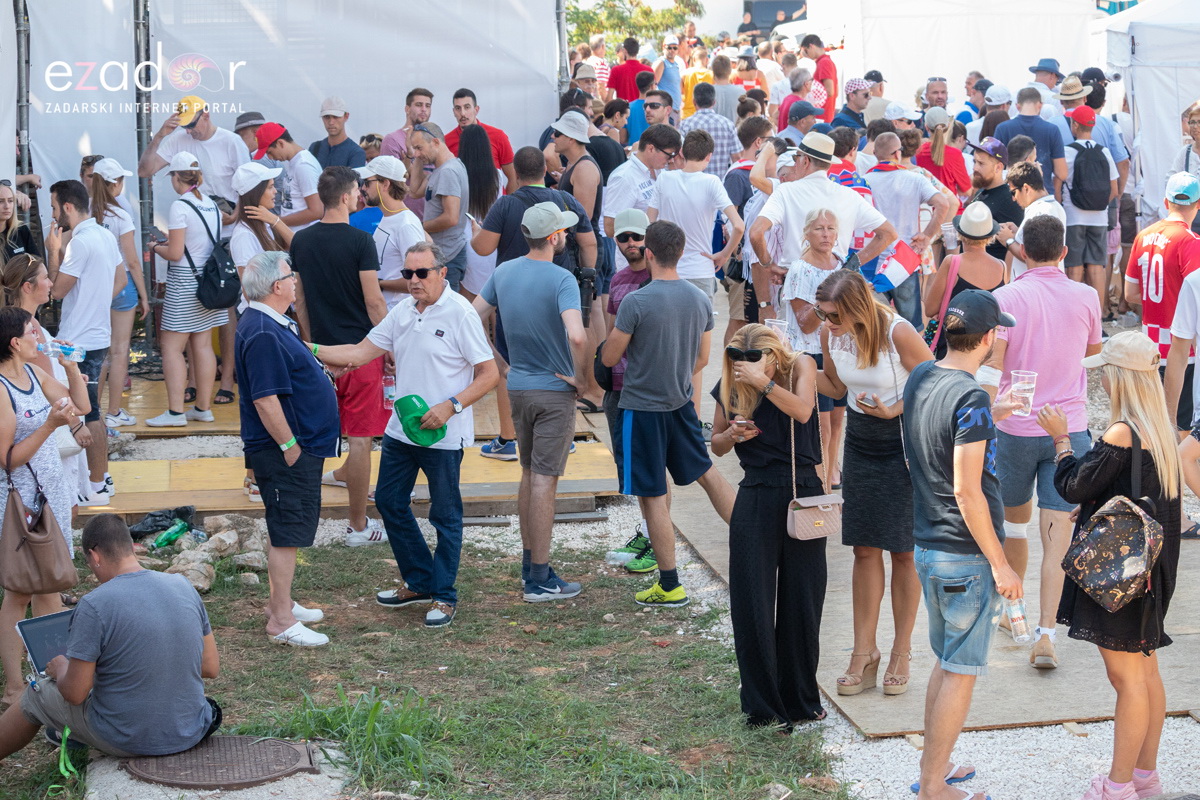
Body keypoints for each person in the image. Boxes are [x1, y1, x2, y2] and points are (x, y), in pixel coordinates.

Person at [314, 243, 498, 628]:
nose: (414, 281)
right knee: (389, 501)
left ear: (441, 273)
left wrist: (450, 406)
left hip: (443, 436)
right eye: (408, 274)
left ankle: (445, 596)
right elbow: (360, 352)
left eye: (422, 273)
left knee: (445, 516)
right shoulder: (401, 312)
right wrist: (307, 348)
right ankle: (419, 581)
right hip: (401, 430)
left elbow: (490, 374)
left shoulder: (461, 314)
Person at [1039, 332, 1181, 800]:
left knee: (1127, 681)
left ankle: (1117, 788)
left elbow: (1072, 485)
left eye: (1105, 370)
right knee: (1146, 674)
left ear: (1118, 377)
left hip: (1122, 575)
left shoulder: (1121, 429)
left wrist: (1061, 439)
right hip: (1152, 570)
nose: (1100, 378)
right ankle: (1146, 778)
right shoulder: (1160, 428)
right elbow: (1137, 492)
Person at [903, 290, 1022, 800]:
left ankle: (939, 766)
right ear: (990, 338)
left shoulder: (923, 376)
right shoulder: (971, 397)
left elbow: (935, 431)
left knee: (945, 662)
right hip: (966, 556)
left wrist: (992, 411)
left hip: (928, 544)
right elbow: (968, 490)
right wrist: (1002, 563)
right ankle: (934, 786)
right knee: (960, 672)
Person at [981, 215, 1103, 672]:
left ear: (1023, 251)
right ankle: (1048, 633)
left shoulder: (1006, 297)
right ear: (1065, 252)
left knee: (1012, 527)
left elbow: (995, 360)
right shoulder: (1087, 295)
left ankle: (1014, 614)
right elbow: (1092, 353)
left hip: (1014, 425)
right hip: (1068, 428)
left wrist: (986, 410)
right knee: (1059, 538)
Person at [0, 513, 220, 760]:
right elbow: (210, 667)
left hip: (128, 738)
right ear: (130, 548)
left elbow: (75, 693)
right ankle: (71, 735)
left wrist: (61, 667)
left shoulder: (95, 604)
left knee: (35, 694)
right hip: (190, 729)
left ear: (94, 556)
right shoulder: (182, 585)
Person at [814, 269, 933, 699]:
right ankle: (863, 653)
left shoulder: (897, 332)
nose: (825, 322)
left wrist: (894, 409)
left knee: (904, 550)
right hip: (862, 445)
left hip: (901, 443)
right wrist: (795, 369)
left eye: (831, 314)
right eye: (821, 313)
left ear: (855, 309)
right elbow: (832, 384)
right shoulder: (833, 336)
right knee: (864, 547)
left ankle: (902, 651)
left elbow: (932, 383)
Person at [601, 221, 735, 603]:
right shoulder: (699, 298)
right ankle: (754, 540)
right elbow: (704, 358)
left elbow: (610, 358)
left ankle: (670, 584)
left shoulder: (636, 302)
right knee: (709, 476)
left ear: (649, 253)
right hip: (681, 404)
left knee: (653, 496)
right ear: (681, 252)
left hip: (641, 410)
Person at [711, 323, 826, 729]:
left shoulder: (801, 368)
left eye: (753, 359)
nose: (742, 367)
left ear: (774, 356)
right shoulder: (731, 383)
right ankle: (763, 707)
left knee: (802, 601)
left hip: (802, 490)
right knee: (751, 602)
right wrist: (733, 434)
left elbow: (803, 410)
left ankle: (801, 699)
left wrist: (762, 384)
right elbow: (716, 444)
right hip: (756, 492)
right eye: (737, 360)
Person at [473, 203, 588, 602]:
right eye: (564, 232)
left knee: (528, 472)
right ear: (554, 237)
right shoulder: (562, 279)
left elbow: (472, 317)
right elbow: (576, 335)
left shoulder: (503, 272)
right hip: (553, 391)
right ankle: (539, 577)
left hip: (517, 386)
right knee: (544, 479)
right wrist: (582, 380)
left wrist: (499, 361)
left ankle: (531, 563)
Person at [232, 251, 337, 646]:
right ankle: (279, 620)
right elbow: (265, 398)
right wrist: (290, 445)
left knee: (291, 528)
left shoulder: (270, 321)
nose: (296, 282)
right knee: (287, 532)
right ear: (278, 286)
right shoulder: (261, 329)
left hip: (295, 446)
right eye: (291, 276)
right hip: (285, 450)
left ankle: (284, 602)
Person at [291, 166, 390, 543]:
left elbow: (299, 300)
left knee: (311, 437)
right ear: (348, 197)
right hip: (362, 351)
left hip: (320, 353)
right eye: (357, 192)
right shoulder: (361, 241)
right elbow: (374, 301)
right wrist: (389, 343)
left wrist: (311, 344)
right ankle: (358, 526)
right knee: (361, 439)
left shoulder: (301, 241)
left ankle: (303, 524)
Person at [0, 306, 89, 706]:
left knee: (51, 582)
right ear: (15, 343)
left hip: (48, 495)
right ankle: (14, 684)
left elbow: (80, 407)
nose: (40, 336)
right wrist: (51, 426)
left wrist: (70, 368)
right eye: (32, 331)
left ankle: (51, 672)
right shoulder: (1, 388)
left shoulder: (35, 374)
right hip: (17, 503)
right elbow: (8, 458)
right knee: (19, 592)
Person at [45, 180, 124, 504]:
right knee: (92, 409)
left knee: (86, 411)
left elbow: (56, 291)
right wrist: (95, 300)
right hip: (97, 334)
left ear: (66, 207)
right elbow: (120, 280)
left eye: (53, 207)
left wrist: (54, 251)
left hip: (77, 340)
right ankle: (100, 479)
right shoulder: (104, 235)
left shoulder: (79, 242)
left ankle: (95, 485)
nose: (52, 214)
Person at [142, 154, 223, 429]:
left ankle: (176, 412)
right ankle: (203, 407)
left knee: (172, 349)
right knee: (201, 345)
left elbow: (175, 253)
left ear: (177, 177)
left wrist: (155, 247)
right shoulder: (210, 204)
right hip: (208, 283)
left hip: (185, 283)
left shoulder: (180, 206)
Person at [750, 132, 897, 281]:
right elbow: (889, 233)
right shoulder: (849, 195)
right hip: (836, 284)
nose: (795, 164)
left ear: (805, 161)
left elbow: (756, 232)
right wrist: (850, 265)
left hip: (796, 280)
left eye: (796, 159)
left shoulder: (786, 191)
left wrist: (768, 264)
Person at [1130, 172, 1200, 431]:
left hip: (1150, 345)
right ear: (1198, 204)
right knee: (1181, 430)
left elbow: (1130, 293)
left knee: (1150, 425)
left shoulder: (1143, 236)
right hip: (1183, 349)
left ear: (1166, 202)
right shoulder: (1191, 242)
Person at [781, 208, 846, 484]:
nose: (826, 234)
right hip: (810, 353)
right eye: (819, 228)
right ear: (807, 233)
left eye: (831, 228)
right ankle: (819, 478)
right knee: (821, 425)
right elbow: (805, 324)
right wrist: (826, 303)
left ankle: (831, 471)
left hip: (838, 350)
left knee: (837, 420)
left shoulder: (840, 263)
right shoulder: (799, 270)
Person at [87, 158, 149, 430]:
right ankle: (113, 411)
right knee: (120, 350)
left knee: (98, 352)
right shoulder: (121, 215)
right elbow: (132, 261)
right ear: (115, 183)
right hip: (121, 285)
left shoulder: (86, 211)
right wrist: (145, 296)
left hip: (94, 287)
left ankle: (93, 413)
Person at [868, 132, 952, 327]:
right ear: (898, 154)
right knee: (912, 326)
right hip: (903, 260)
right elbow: (943, 204)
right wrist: (927, 236)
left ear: (875, 153)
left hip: (872, 262)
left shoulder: (864, 181)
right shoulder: (914, 178)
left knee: (875, 325)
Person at [922, 202, 1007, 359]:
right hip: (984, 350)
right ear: (990, 236)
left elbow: (930, 309)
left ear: (960, 233)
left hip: (952, 349)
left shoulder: (952, 262)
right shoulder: (1002, 267)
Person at [1057, 105, 1119, 312]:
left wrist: (1065, 205)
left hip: (1073, 217)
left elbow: (1057, 186)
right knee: (1096, 267)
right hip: (1099, 219)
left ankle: (1073, 316)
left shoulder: (1068, 151)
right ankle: (1098, 319)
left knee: (1074, 267)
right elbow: (1114, 189)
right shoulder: (1105, 152)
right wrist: (1098, 205)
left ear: (1075, 125)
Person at [137, 95, 249, 209]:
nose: (188, 131)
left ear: (206, 115)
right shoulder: (178, 139)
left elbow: (248, 185)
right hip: (195, 214)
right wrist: (158, 137)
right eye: (183, 126)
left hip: (227, 215)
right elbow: (144, 172)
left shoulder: (232, 142)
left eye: (191, 125)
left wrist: (235, 216)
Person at [603, 125, 680, 272]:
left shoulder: (660, 171)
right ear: (651, 148)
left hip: (659, 264)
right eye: (668, 155)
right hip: (635, 268)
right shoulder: (624, 177)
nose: (670, 160)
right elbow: (610, 227)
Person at [407, 122, 472, 292]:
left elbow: (451, 218)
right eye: (414, 149)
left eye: (419, 148)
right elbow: (414, 192)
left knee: (444, 314)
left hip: (447, 256)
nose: (416, 153)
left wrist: (419, 227)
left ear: (435, 142)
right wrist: (418, 157)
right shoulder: (443, 169)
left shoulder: (447, 172)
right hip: (446, 254)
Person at [359, 156, 427, 310]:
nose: (363, 188)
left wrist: (377, 284)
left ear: (385, 184)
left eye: (367, 183)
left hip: (398, 315)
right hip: (387, 314)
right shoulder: (390, 217)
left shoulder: (406, 224)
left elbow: (419, 278)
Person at [998, 160, 1066, 279]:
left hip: (1037, 287)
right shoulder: (1049, 206)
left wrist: (1008, 240)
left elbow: (1036, 256)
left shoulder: (1041, 210)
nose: (1013, 199)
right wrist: (1018, 233)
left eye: (1013, 192)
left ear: (1026, 188)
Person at [252, 122, 323, 232]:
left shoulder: (304, 165)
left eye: (270, 152)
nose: (270, 158)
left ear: (280, 143)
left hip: (305, 236)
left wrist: (276, 221)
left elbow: (317, 211)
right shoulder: (294, 162)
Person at [996, 87, 1068, 194]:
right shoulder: (1052, 130)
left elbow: (996, 166)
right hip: (1042, 193)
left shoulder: (1002, 128)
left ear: (1017, 106)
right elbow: (1062, 173)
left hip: (1011, 193)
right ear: (1040, 105)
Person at [445, 89, 517, 191]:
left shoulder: (498, 136)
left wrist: (507, 204)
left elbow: (513, 176)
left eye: (467, 107)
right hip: (463, 204)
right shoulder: (447, 142)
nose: (463, 113)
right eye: (458, 108)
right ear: (453, 112)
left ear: (476, 109)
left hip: (495, 204)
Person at [967, 137, 1025, 262]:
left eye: (981, 163)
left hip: (991, 276)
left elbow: (1021, 247)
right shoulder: (982, 190)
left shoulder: (1010, 200)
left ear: (998, 167)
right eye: (974, 162)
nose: (975, 168)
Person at [679, 83, 739, 177]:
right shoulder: (727, 124)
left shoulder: (685, 125)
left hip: (694, 183)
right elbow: (736, 157)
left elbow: (680, 156)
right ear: (714, 102)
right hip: (720, 183)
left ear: (694, 102)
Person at [916, 107, 971, 209]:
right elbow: (966, 191)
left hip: (925, 212)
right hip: (951, 213)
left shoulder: (917, 152)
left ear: (926, 127)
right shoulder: (955, 154)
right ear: (949, 126)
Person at [308, 96, 367, 169]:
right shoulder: (315, 148)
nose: (331, 122)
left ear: (346, 116)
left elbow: (354, 180)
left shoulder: (356, 153)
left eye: (336, 116)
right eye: (326, 117)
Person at [1169, 101, 1200, 234]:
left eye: (1199, 122)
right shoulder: (1185, 152)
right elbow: (1171, 179)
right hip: (1191, 213)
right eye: (1192, 122)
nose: (1194, 126)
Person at [799, 35, 837, 123]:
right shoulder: (824, 62)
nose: (806, 54)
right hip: (823, 114)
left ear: (811, 46)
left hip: (821, 115)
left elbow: (830, 91)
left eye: (806, 51)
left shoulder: (824, 62)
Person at [0, 180, 40, 262]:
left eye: (10, 201)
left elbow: (37, 265)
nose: (7, 206)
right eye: (1, 201)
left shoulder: (21, 230)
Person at [608, 38, 652, 103]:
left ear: (625, 51)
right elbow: (653, 93)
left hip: (623, 110)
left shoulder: (616, 70)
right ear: (637, 51)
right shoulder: (648, 70)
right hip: (644, 110)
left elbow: (609, 97)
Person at [653, 35, 686, 111]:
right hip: (665, 109)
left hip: (676, 109)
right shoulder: (661, 63)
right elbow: (653, 86)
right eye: (669, 47)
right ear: (663, 47)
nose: (672, 50)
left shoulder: (676, 64)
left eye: (675, 48)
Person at [679, 47, 713, 119]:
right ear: (707, 60)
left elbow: (679, 94)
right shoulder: (712, 75)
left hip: (687, 116)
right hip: (706, 116)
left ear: (693, 59)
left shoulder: (684, 74)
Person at [711, 55, 743, 123]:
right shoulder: (741, 92)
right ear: (730, 70)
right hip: (734, 131)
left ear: (713, 71)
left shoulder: (708, 91)